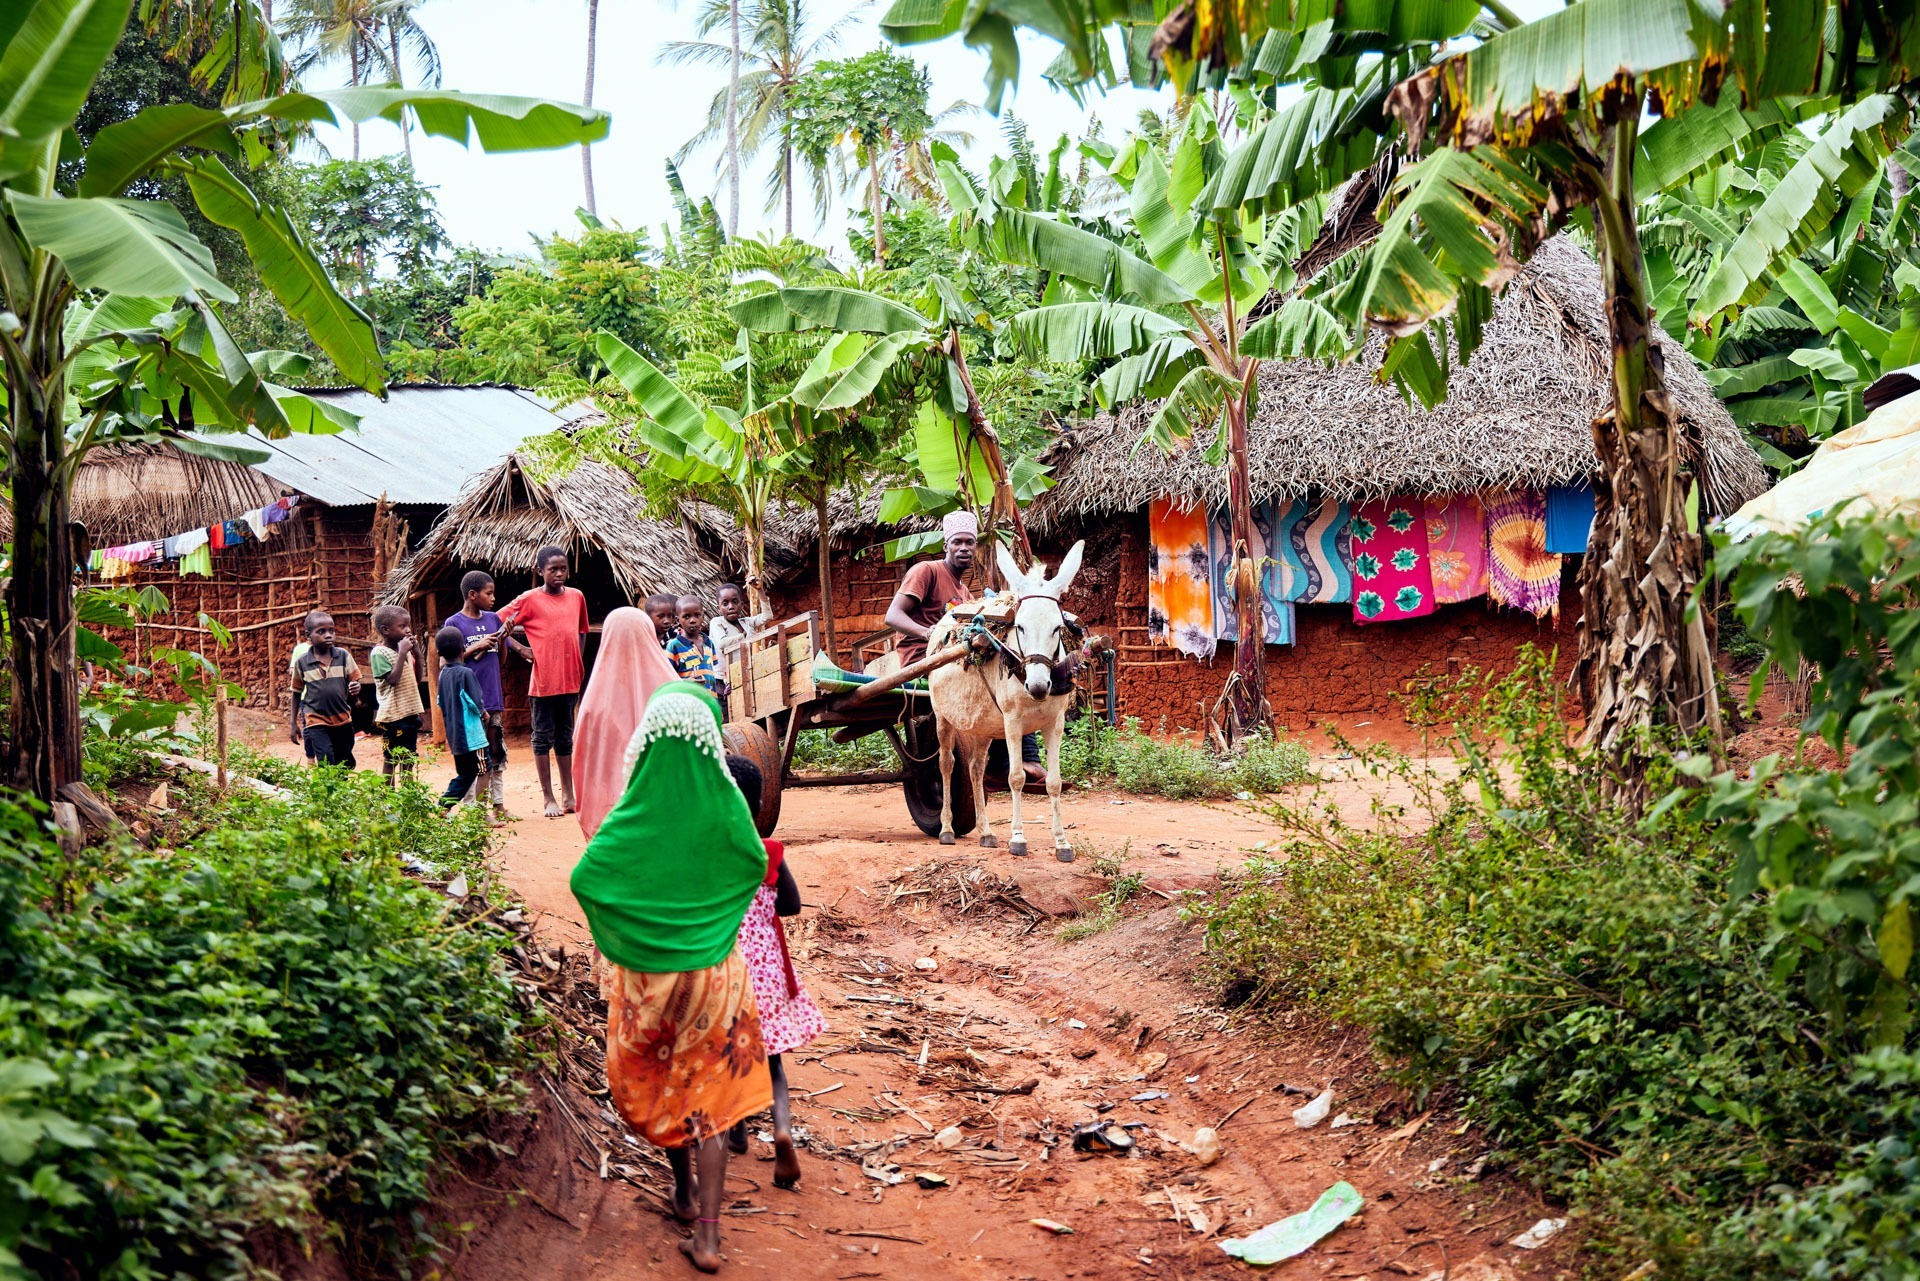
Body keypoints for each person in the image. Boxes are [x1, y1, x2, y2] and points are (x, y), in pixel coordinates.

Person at [570, 681, 772, 1274]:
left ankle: (681, 1192)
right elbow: (754, 863)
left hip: (647, 982)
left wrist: (631, 936)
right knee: (708, 1102)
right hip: (715, 977)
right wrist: (715, 923)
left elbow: (586, 879)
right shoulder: (724, 803)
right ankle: (709, 1236)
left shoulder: (634, 809)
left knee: (664, 1083)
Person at [882, 511, 1044, 785]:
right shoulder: (927, 571)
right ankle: (1008, 763)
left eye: (969, 542)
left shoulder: (965, 594)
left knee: (1008, 675)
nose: (964, 548)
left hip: (955, 662)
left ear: (975, 547)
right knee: (994, 684)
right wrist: (928, 633)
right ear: (946, 545)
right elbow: (892, 615)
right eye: (957, 542)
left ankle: (1019, 760)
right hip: (923, 659)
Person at [723, 755, 822, 1191]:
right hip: (767, 973)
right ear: (760, 803)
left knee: (730, 1051)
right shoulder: (769, 852)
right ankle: (782, 1129)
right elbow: (792, 905)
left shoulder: (711, 856)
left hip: (726, 973)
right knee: (774, 1063)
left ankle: (737, 1128)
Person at [572, 607, 679, 840]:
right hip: (664, 817)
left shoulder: (592, 702)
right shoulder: (672, 688)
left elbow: (584, 765)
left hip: (612, 824)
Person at [500, 546, 590, 819]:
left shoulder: (576, 596)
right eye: (553, 569)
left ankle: (568, 795)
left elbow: (582, 631)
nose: (559, 574)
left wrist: (577, 660)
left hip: (569, 680)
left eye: (563, 569)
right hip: (543, 683)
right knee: (542, 738)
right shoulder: (529, 599)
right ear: (540, 571)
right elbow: (496, 622)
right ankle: (548, 798)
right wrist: (521, 649)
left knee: (565, 738)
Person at [443, 570, 533, 819]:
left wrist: (503, 638)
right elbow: (447, 663)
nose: (493, 598)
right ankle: (474, 810)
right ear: (472, 595)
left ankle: (498, 804)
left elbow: (500, 661)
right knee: (474, 756)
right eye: (489, 593)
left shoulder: (494, 619)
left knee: (495, 752)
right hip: (469, 703)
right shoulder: (454, 623)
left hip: (493, 698)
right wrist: (477, 646)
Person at [289, 610, 360, 768]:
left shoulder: (343, 656)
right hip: (316, 719)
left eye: (331, 631)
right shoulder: (302, 662)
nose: (328, 635)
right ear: (308, 635)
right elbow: (296, 693)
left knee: (344, 761)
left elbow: (355, 681)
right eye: (321, 632)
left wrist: (356, 687)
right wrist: (293, 723)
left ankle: (341, 784)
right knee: (326, 759)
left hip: (342, 718)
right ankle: (326, 784)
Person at [434, 625, 489, 811]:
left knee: (465, 774)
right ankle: (479, 813)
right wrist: (484, 713)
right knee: (484, 769)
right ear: (463, 648)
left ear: (439, 653)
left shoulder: (443, 674)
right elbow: (475, 700)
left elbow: (440, 701)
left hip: (455, 736)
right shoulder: (466, 673)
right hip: (472, 736)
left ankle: (445, 806)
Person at [369, 605, 426, 781]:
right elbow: (392, 680)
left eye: (408, 625)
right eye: (402, 626)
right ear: (386, 630)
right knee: (391, 759)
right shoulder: (379, 653)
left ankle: (408, 794)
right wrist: (402, 653)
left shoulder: (405, 652)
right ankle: (388, 796)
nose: (408, 630)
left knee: (409, 758)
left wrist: (417, 653)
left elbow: (417, 679)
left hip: (409, 713)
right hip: (392, 718)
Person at [665, 595, 724, 695]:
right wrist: (686, 683)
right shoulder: (674, 646)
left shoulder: (709, 642)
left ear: (703, 617)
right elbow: (667, 679)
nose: (692, 620)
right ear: (678, 620)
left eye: (697, 615)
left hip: (710, 700)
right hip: (688, 701)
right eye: (686, 616)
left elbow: (711, 674)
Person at [707, 584, 766, 653]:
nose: (731, 607)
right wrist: (743, 636)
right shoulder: (716, 622)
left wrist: (760, 590)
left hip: (748, 660)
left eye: (735, 602)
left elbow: (767, 616)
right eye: (725, 604)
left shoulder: (746, 622)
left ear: (742, 605)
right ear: (719, 608)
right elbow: (722, 643)